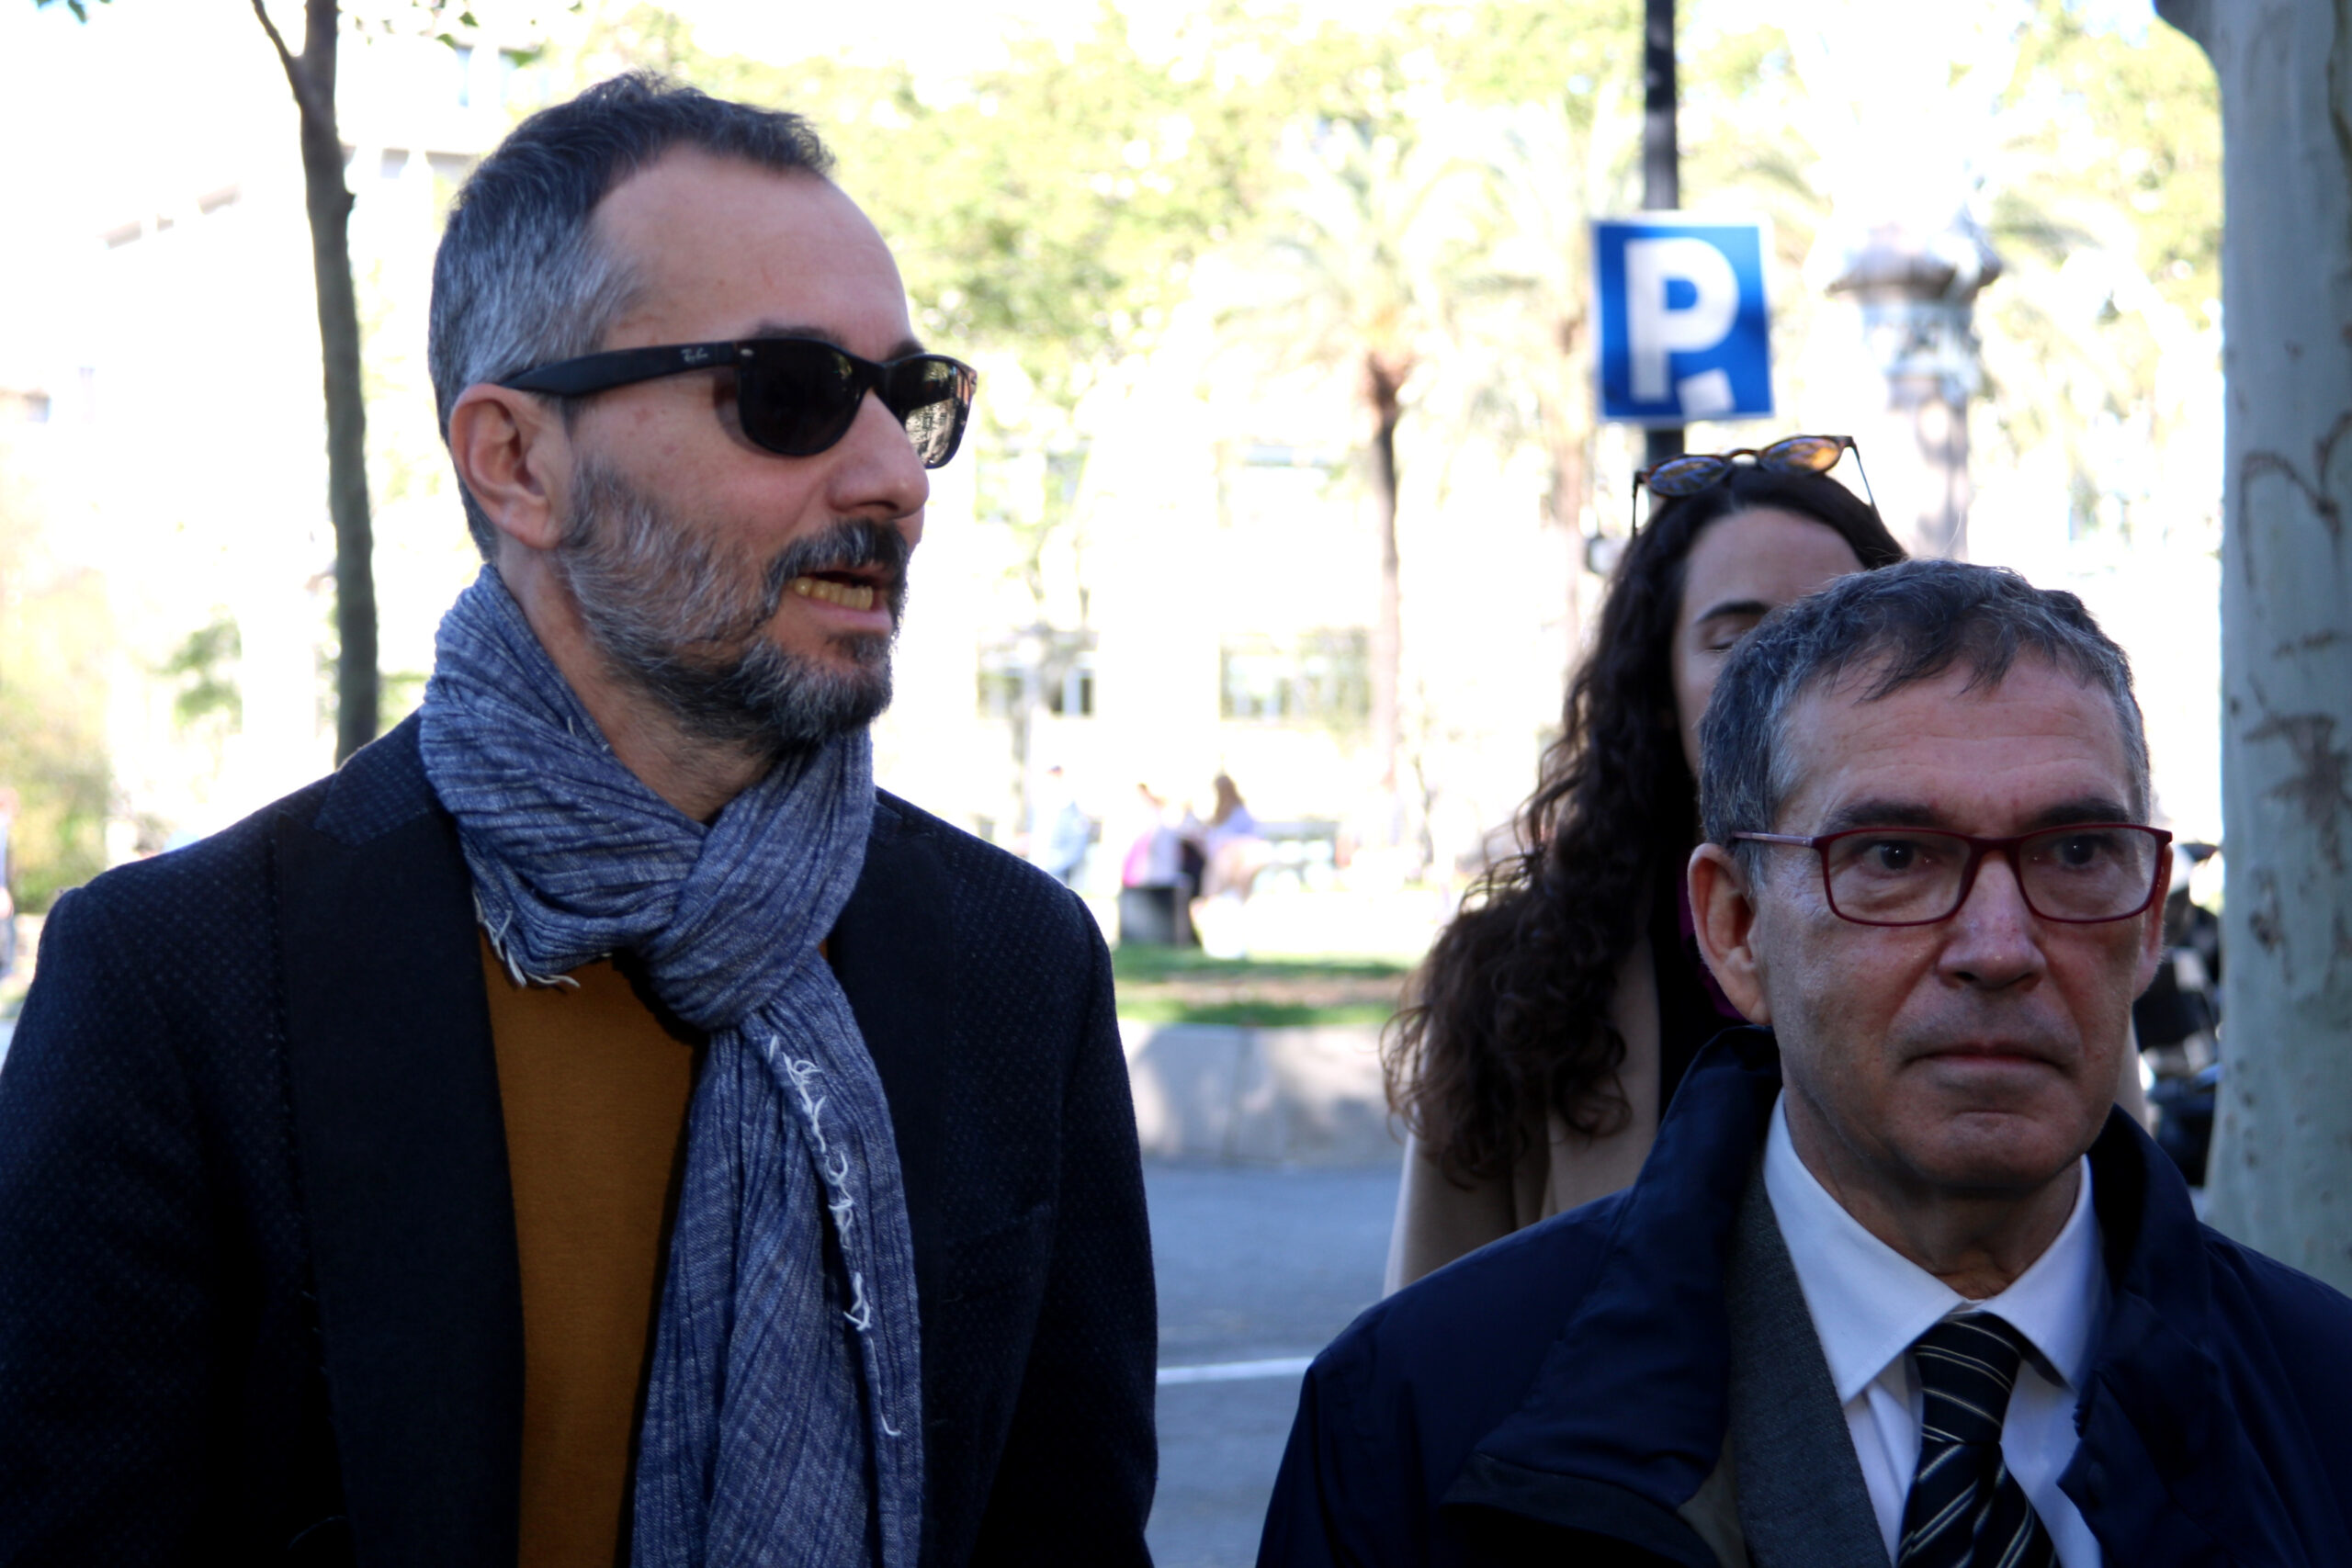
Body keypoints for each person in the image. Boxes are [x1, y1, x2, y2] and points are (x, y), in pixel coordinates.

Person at [0, 77, 1155, 1567]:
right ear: (518, 461)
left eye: (909, 398)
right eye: (791, 393)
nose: (892, 478)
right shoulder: (182, 986)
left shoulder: (1015, 964)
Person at [1260, 561, 2352, 1567]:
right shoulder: (1416, 1416)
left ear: (2150, 919)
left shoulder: (2324, 1399)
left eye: (2075, 854)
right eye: (1892, 857)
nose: (1998, 947)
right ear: (1734, 928)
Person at [1381, 441, 1907, 1289]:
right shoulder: (1514, 981)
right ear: (1657, 687)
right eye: (1738, 639)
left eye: (1840, 633)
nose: (1791, 678)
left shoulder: (2020, 932)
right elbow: (1432, 1331)